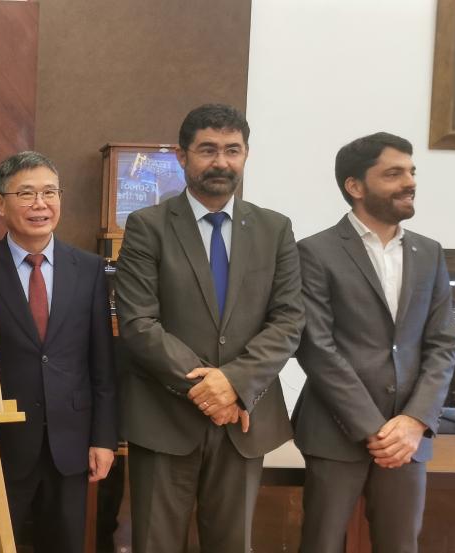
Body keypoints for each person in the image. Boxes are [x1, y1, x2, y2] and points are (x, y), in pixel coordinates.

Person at [114, 104, 304, 552]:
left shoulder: (275, 229)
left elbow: (289, 320)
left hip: (244, 421)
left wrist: (234, 384)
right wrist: (210, 389)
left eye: (232, 150)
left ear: (246, 155)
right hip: (164, 418)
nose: (221, 161)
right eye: (208, 150)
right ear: (183, 156)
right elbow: (138, 322)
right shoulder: (146, 227)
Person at [295, 132, 455, 553]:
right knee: (321, 545)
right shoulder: (314, 251)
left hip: (409, 439)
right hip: (335, 432)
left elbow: (443, 344)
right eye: (393, 174)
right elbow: (316, 347)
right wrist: (374, 429)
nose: (410, 182)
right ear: (355, 186)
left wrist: (415, 421)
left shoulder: (430, 253)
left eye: (411, 172)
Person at [0, 151, 118, 552]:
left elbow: (102, 364)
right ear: (0, 203)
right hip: (1, 444)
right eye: (26, 193)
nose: (40, 204)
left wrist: (104, 439)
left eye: (50, 192)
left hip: (72, 444)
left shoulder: (89, 269)